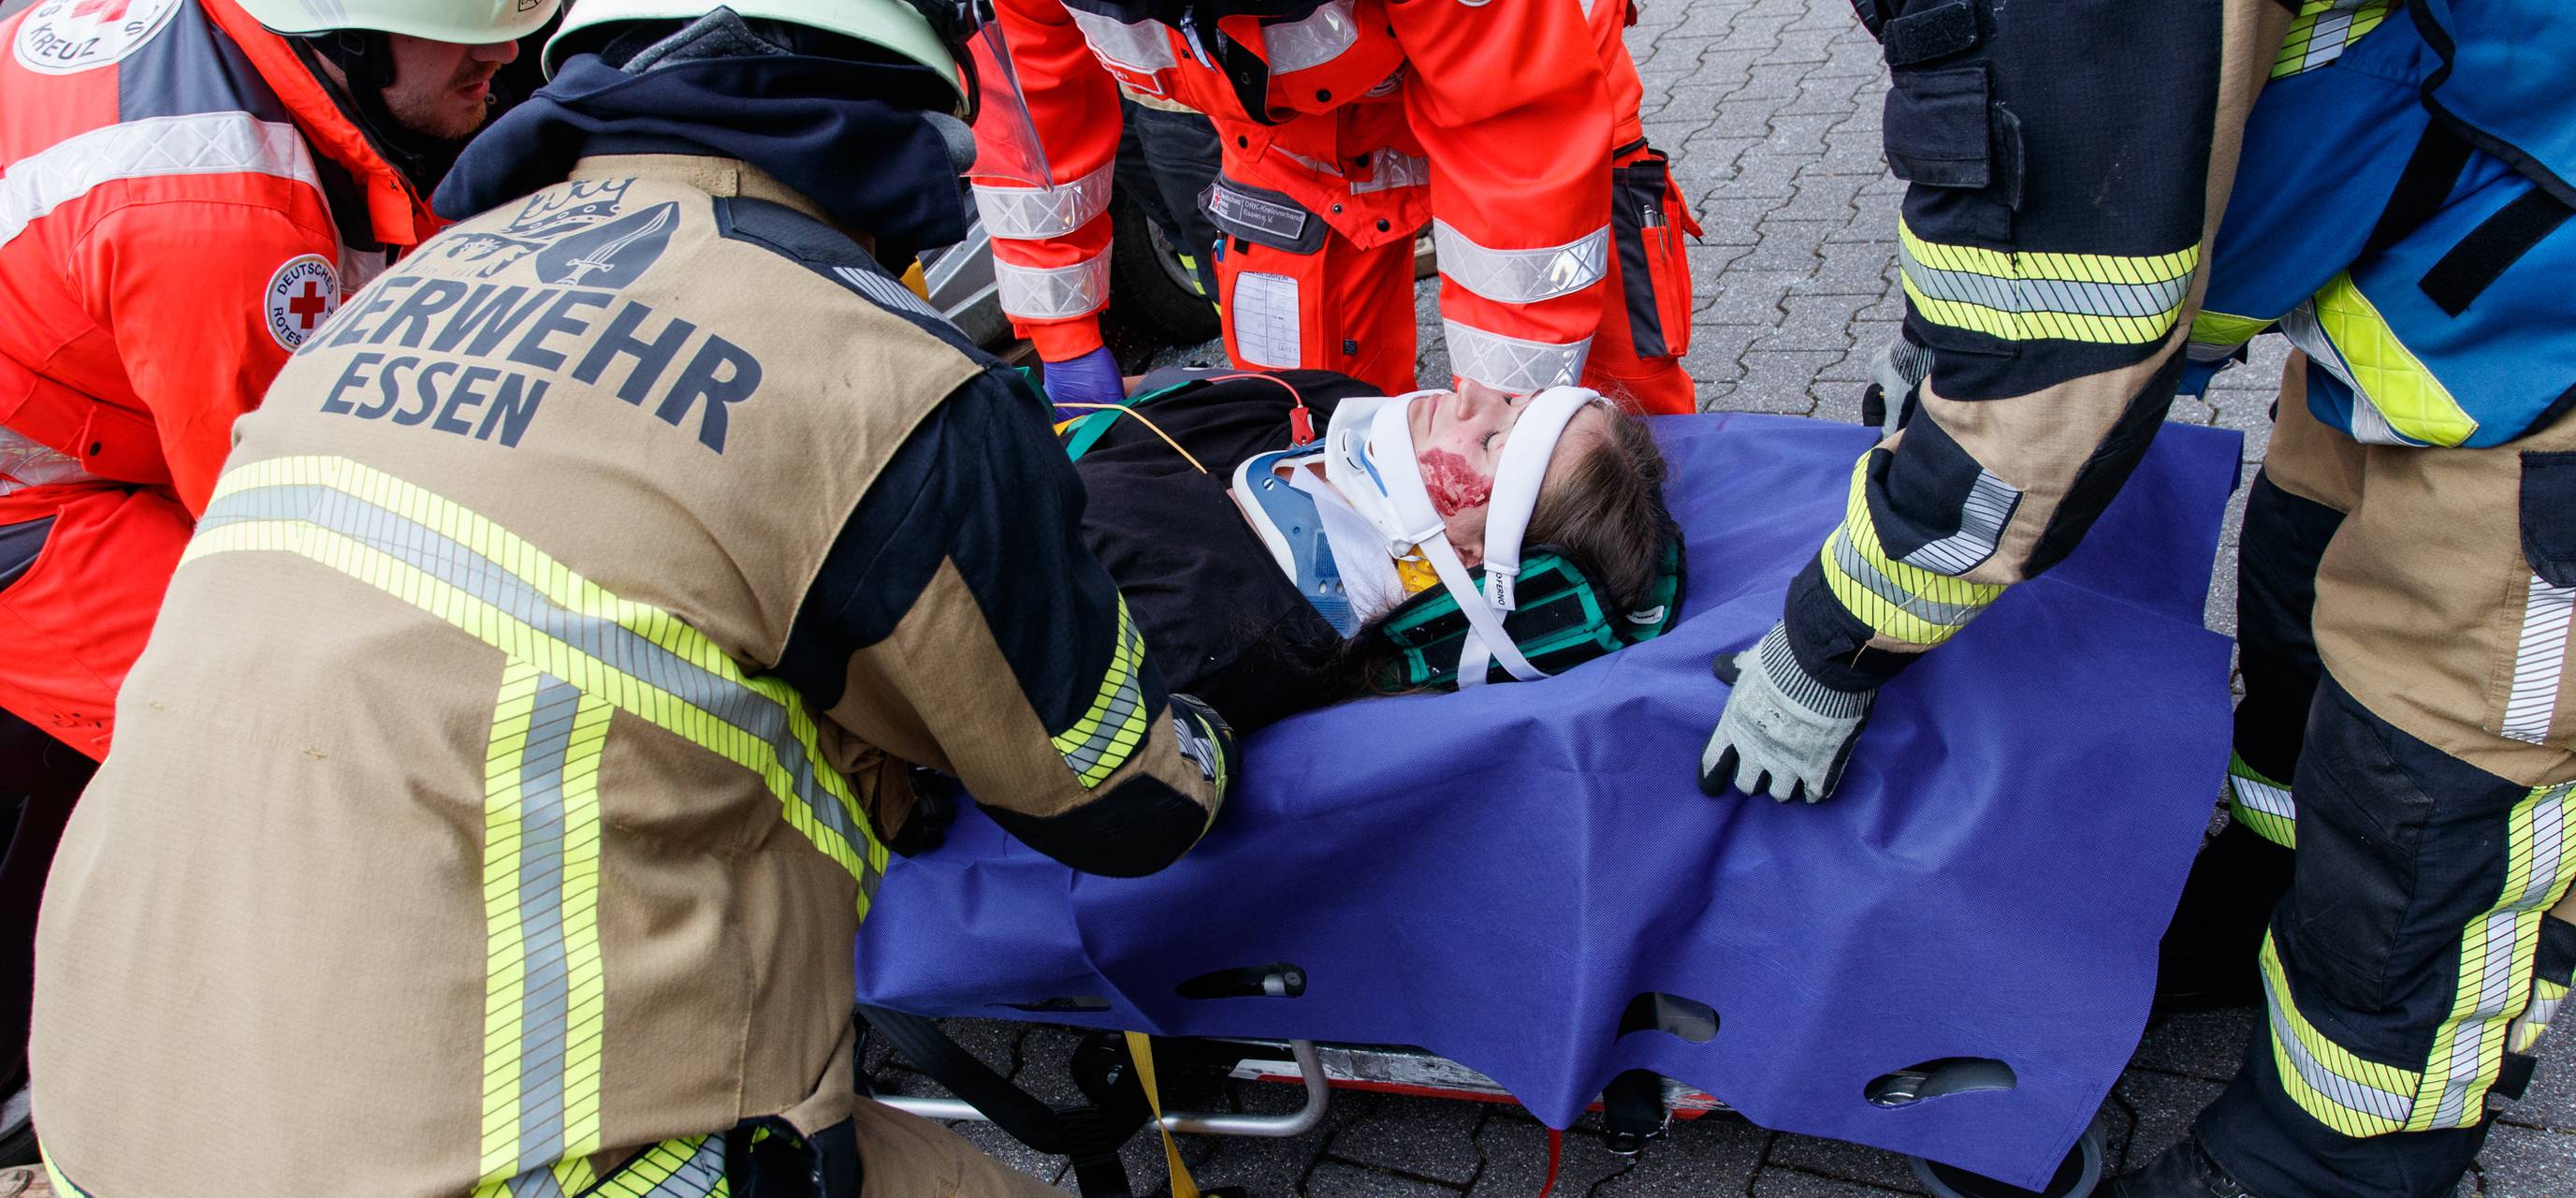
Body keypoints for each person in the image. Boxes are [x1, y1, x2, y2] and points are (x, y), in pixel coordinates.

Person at [29, 0, 1235, 1192]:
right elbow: (1114, 804)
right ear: (904, 124)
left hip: (105, 1115)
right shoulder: (885, 374)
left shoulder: (384, 294)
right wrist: (1217, 740)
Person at [1693, 2, 2576, 1194]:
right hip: (2477, 204)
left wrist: (1832, 642)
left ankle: (2342, 1150)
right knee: (2306, 584)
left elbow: (2053, 358)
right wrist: (1958, 338)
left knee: (2443, 746)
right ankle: (2278, 900)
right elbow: (2123, 164)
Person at [0, 0, 549, 1162]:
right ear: (347, 38)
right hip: (35, 500)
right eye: (463, 30)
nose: (502, 50)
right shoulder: (226, 216)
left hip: (102, 405)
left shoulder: (244, 56)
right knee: (295, 736)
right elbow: (286, 531)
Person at [973, 0, 1702, 418]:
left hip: (1534, 78)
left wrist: (1504, 419)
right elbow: (1033, 139)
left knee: (1604, 429)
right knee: (1302, 426)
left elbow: (1518, 135)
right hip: (1287, 140)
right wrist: (1065, 343)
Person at [1070, 370, 1680, 731]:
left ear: (1470, 558)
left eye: (1494, 442)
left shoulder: (1212, 630)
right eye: (1518, 400)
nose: (1473, 392)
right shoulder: (1328, 404)